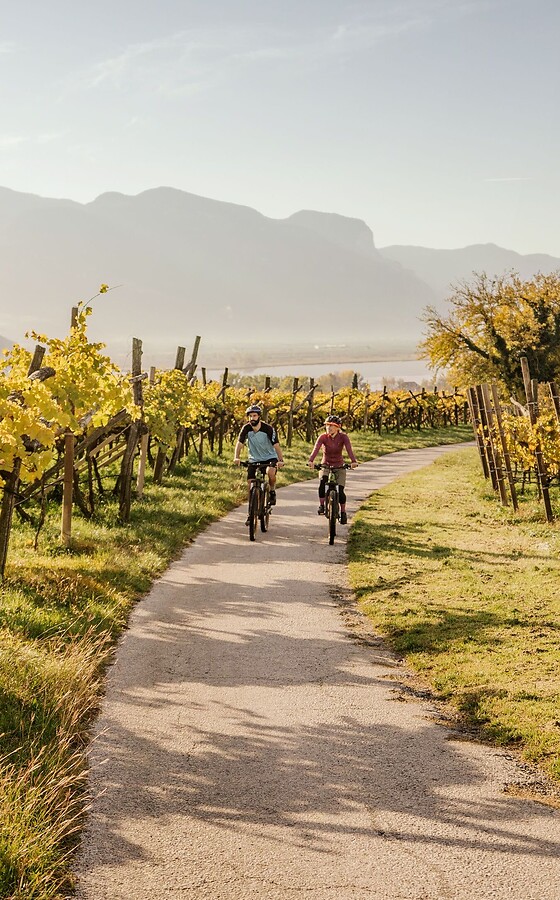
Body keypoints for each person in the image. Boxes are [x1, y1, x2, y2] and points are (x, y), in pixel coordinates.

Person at [234, 405, 285, 519]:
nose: (252, 418)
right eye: (250, 416)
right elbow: (240, 443)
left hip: (269, 457)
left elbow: (276, 446)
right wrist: (236, 457)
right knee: (250, 483)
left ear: (259, 417)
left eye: (254, 416)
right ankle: (251, 510)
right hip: (254, 459)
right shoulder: (246, 428)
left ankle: (271, 491)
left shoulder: (268, 429)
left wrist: (280, 460)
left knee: (271, 472)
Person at [307, 415, 358, 524]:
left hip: (339, 465)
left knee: (340, 490)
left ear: (338, 427)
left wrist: (353, 461)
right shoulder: (323, 437)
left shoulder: (343, 437)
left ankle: (343, 512)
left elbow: (349, 449)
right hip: (325, 464)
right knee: (322, 483)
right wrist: (311, 461)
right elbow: (316, 449)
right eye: (327, 426)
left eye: (332, 426)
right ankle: (321, 505)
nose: (328, 428)